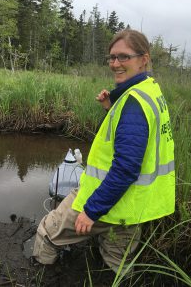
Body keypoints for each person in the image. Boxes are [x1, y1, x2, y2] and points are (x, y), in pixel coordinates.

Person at [33, 29, 175, 272]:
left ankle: (39, 274)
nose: (115, 64)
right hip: (132, 206)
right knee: (117, 261)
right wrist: (111, 107)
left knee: (47, 232)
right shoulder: (150, 91)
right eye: (112, 57)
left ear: (144, 59)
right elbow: (135, 137)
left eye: (123, 57)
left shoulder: (133, 103)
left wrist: (91, 211)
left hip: (106, 199)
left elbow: (126, 168)